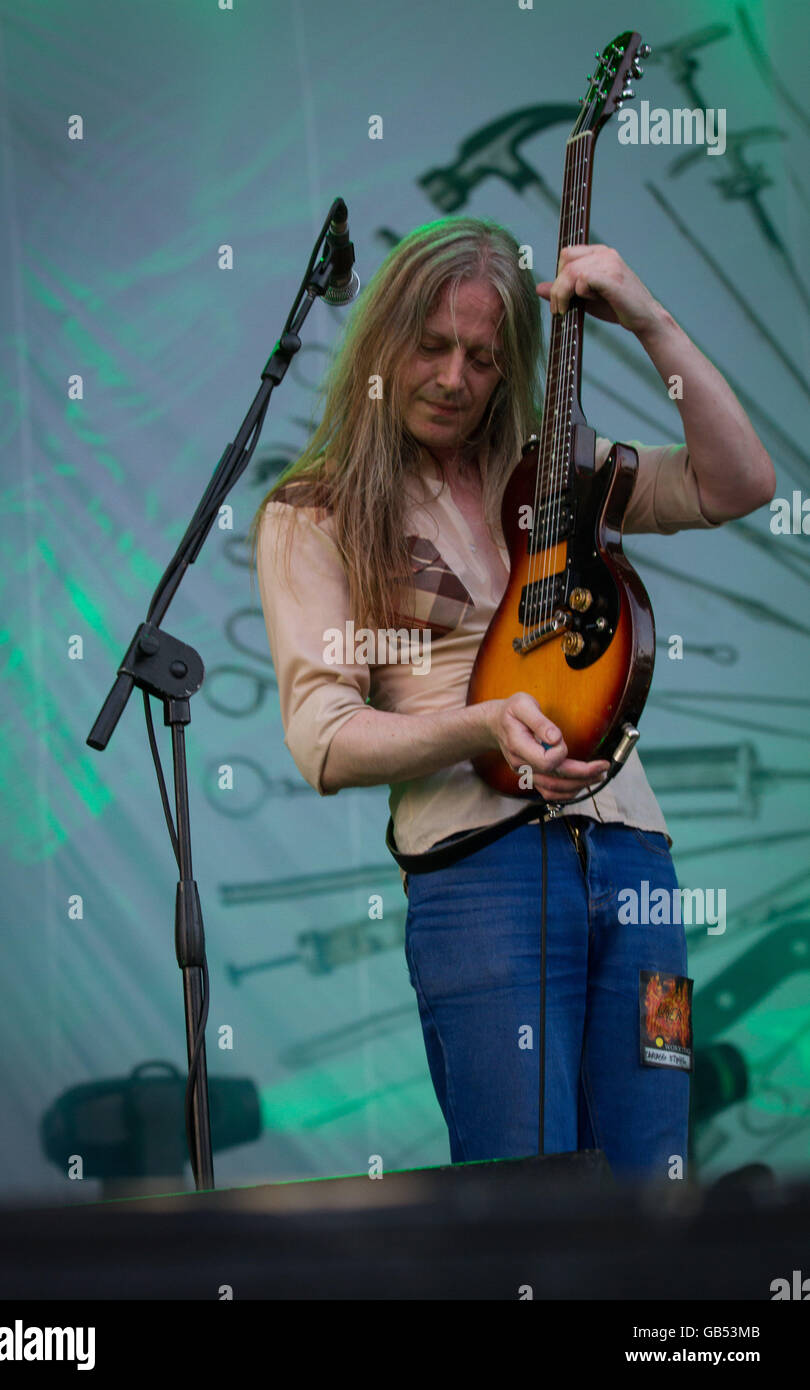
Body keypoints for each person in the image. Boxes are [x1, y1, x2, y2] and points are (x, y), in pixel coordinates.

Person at [250, 217, 775, 1181]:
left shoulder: (556, 475)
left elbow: (737, 482)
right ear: (382, 342)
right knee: (526, 1207)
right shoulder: (316, 510)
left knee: (659, 1182)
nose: (454, 378)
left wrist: (650, 320)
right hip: (480, 878)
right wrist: (483, 724)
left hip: (637, 869)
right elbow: (323, 740)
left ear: (511, 366)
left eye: (483, 358)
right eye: (432, 346)